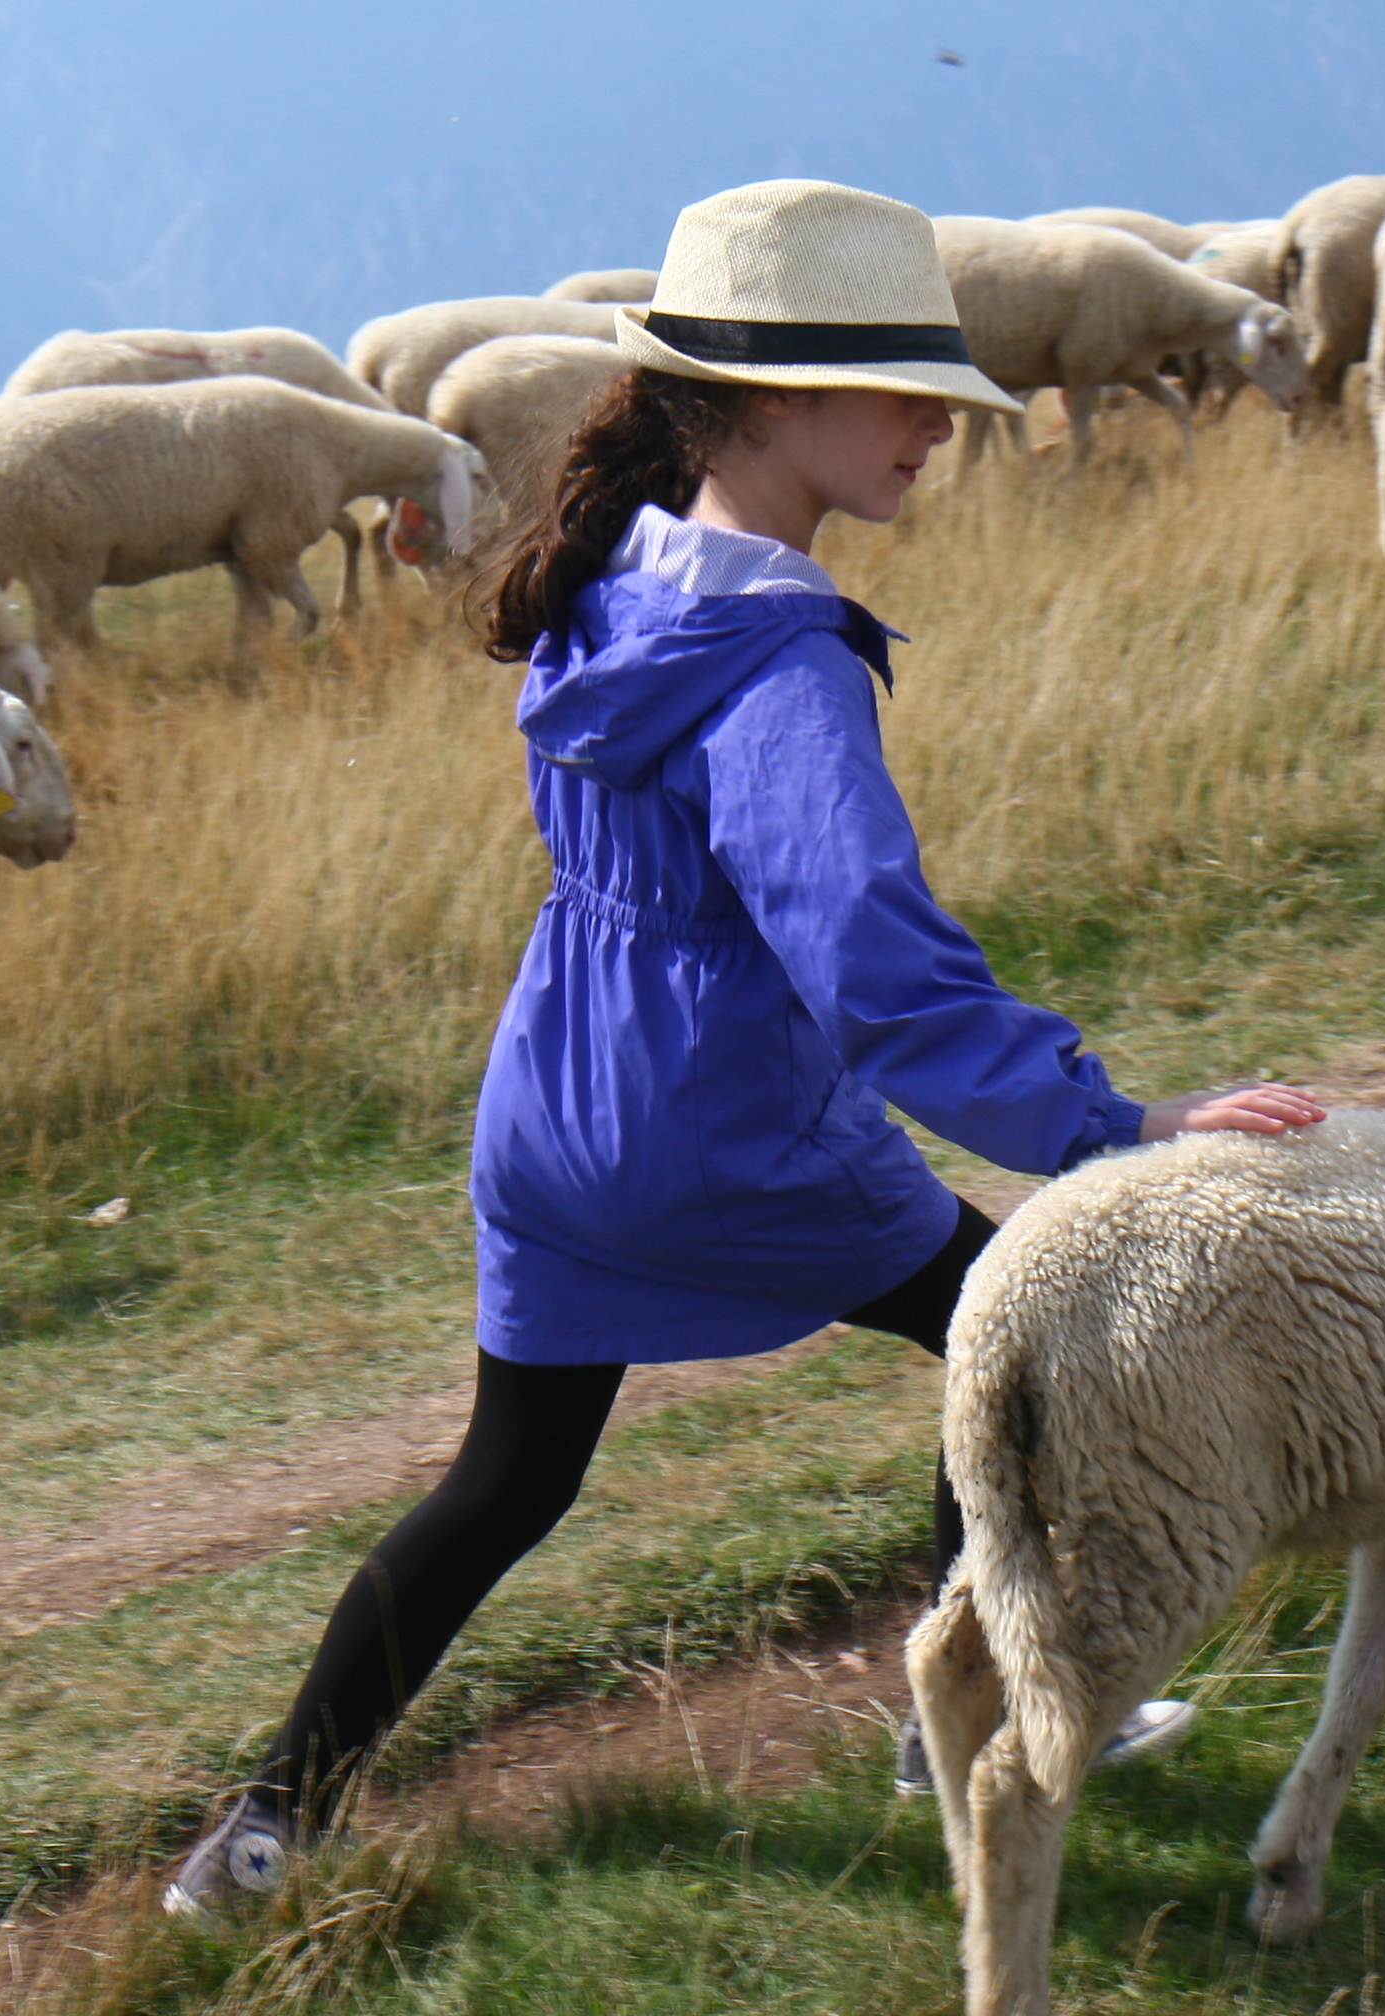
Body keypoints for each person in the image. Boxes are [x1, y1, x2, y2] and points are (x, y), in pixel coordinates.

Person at [168, 180, 1323, 1916]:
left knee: (506, 1479)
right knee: (1004, 1332)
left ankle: (263, 1831)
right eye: (893, 387)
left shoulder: (610, 574)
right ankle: (965, 1713)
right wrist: (1117, 1126)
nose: (935, 424)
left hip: (557, 1099)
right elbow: (873, 969)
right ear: (771, 398)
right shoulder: (781, 661)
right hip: (725, 1121)